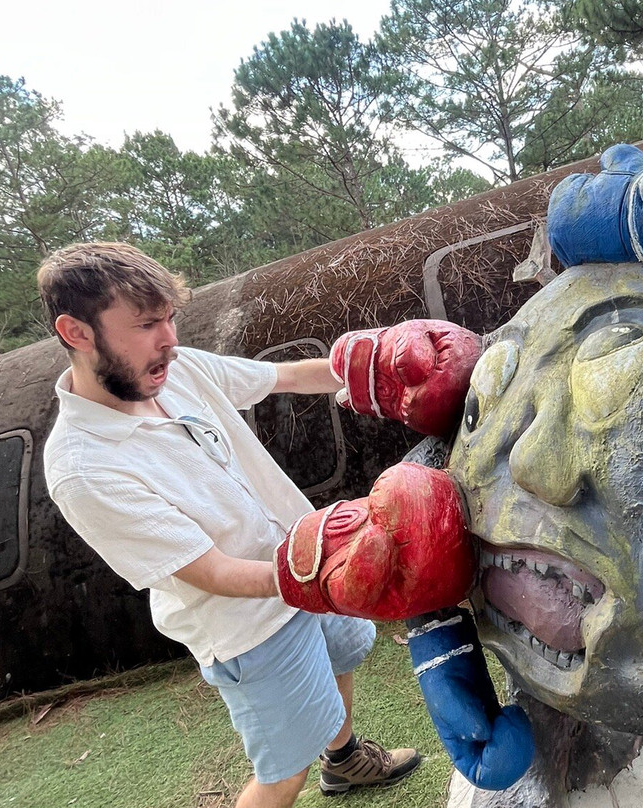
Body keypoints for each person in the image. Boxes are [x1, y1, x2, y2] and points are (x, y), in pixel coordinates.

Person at [38, 242, 421, 808]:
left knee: (344, 653)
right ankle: (319, 761)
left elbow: (286, 376)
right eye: (146, 324)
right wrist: (327, 567)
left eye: (170, 317)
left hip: (304, 561)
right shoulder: (82, 468)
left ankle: (342, 761)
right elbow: (211, 572)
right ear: (77, 332)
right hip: (250, 625)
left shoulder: (175, 368)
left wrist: (373, 368)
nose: (169, 338)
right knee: (282, 774)